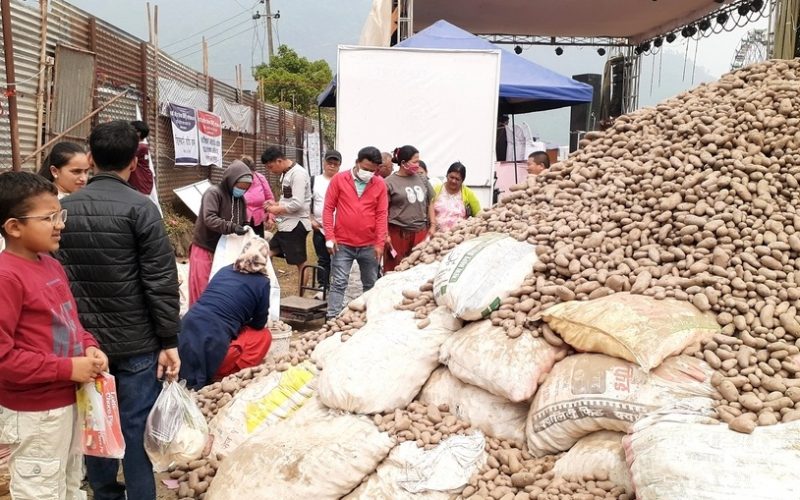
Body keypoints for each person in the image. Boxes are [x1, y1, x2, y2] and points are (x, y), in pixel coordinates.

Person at [56, 120, 181, 500]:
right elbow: (160, 281)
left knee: (95, 421)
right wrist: (169, 340)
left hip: (83, 344)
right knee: (136, 425)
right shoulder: (141, 209)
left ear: (90, 159)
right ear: (133, 161)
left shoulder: (61, 211)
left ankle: (105, 493)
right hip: (137, 342)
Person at [0, 171, 107, 500]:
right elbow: (3, 358)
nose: (59, 224)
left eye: (60, 215)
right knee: (40, 491)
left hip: (69, 401)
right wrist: (67, 368)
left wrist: (89, 346)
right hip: (34, 413)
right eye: (48, 218)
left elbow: (69, 322)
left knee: (70, 484)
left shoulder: (50, 265)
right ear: (14, 227)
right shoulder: (6, 278)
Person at [179, 238, 273, 390]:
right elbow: (259, 323)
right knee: (263, 336)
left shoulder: (225, 270)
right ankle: (226, 374)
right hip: (214, 341)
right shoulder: (262, 283)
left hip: (185, 329)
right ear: (265, 260)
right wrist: (241, 320)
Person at [323, 146, 387, 318]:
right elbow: (328, 209)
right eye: (365, 169)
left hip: (369, 244)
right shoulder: (339, 179)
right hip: (342, 243)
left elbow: (382, 215)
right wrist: (330, 236)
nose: (368, 173)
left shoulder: (379, 184)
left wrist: (379, 243)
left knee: (370, 283)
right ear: (357, 162)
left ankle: (369, 317)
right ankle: (332, 317)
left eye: (373, 171)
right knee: (338, 282)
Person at [188, 160, 252, 304]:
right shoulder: (214, 193)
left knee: (220, 290)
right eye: (239, 187)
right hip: (205, 247)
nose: (242, 190)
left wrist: (245, 226)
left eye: (245, 188)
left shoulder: (240, 199)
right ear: (231, 180)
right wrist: (232, 227)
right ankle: (199, 317)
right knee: (202, 290)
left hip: (225, 250)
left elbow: (243, 219)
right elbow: (209, 218)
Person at [384, 145, 436, 272]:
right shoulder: (389, 182)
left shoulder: (422, 179)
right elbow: (383, 210)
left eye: (418, 161)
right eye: (415, 162)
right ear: (403, 163)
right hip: (397, 234)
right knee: (395, 269)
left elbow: (430, 201)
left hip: (420, 232)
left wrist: (433, 225)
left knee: (418, 269)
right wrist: (385, 234)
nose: (417, 165)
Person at [261, 146, 312, 277]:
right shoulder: (286, 173)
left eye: (271, 167)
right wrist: (276, 204)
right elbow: (288, 199)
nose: (271, 171)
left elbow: (297, 203)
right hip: (286, 225)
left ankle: (301, 291)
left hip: (295, 225)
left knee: (300, 262)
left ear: (279, 161)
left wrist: (276, 209)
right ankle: (268, 283)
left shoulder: (298, 174)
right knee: (266, 253)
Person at [310, 150, 342, 292]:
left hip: (339, 229)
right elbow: (306, 202)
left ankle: (337, 287)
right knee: (323, 259)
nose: (332, 166)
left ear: (339, 166)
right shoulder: (314, 181)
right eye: (329, 163)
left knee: (339, 259)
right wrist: (311, 220)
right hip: (320, 227)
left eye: (335, 164)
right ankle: (323, 286)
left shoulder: (342, 181)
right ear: (324, 163)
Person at [432, 162, 482, 232]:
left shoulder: (469, 194)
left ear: (462, 180)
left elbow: (479, 215)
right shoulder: (436, 189)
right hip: (437, 234)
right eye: (451, 177)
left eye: (457, 179)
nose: (453, 181)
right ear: (447, 175)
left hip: (459, 234)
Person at [241, 155, 275, 239]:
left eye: (251, 173)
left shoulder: (260, 178)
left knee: (258, 243)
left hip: (258, 221)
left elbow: (270, 199)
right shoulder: (236, 180)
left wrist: (270, 217)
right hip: (241, 221)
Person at [129, 120, 154, 196]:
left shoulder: (140, 147)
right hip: (142, 181)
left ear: (138, 133)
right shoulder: (142, 146)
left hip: (140, 182)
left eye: (130, 130)